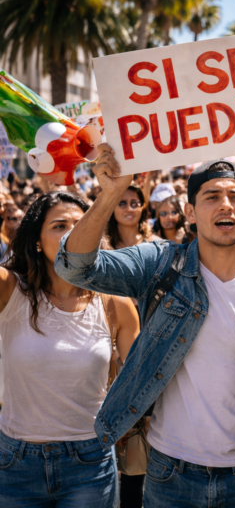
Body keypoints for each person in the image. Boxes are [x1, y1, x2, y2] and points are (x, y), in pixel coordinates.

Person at [55, 150, 235, 508]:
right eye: (211, 197)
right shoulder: (160, 264)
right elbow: (74, 268)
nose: (226, 205)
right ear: (190, 212)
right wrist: (110, 194)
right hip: (170, 475)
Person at [0, 192, 140, 507]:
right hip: (14, 465)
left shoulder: (115, 303)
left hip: (89, 466)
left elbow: (141, 380)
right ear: (36, 240)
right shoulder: (10, 290)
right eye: (59, 225)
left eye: (81, 224)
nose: (73, 234)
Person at [106, 184, 157, 249]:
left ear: (142, 208)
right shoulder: (102, 249)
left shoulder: (156, 246)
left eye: (135, 203)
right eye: (122, 203)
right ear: (112, 208)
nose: (129, 209)